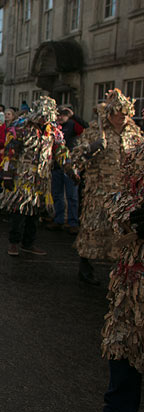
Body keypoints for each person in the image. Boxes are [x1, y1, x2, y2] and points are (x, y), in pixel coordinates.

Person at [70, 89, 143, 285]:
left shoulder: (134, 133)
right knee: (93, 229)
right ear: (109, 114)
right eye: (119, 114)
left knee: (120, 233)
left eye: (126, 114)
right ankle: (85, 269)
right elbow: (74, 159)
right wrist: (90, 148)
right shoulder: (95, 130)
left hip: (124, 194)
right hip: (98, 192)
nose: (123, 118)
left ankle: (119, 272)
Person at [101, 139, 144, 412]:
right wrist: (128, 216)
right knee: (123, 352)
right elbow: (116, 198)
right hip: (133, 279)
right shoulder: (136, 154)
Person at [0, 96, 69, 257]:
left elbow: (61, 151)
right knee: (19, 210)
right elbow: (10, 152)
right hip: (22, 176)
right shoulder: (21, 127)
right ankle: (14, 242)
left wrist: (71, 169)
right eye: (42, 117)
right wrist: (7, 174)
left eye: (47, 118)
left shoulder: (53, 131)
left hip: (41, 178)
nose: (44, 120)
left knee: (35, 211)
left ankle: (28, 243)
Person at [46, 105, 84, 234]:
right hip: (56, 165)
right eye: (58, 114)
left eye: (63, 114)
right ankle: (59, 219)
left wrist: (74, 116)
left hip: (70, 165)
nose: (60, 117)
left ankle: (73, 222)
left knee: (72, 195)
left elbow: (86, 128)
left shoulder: (73, 125)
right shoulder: (53, 127)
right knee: (56, 194)